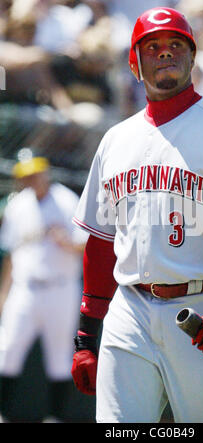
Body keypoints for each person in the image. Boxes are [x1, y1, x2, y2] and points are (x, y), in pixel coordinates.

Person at [71, 7, 203, 423]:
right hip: (129, 308)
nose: (165, 53)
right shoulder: (115, 140)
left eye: (176, 44)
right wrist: (88, 335)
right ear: (134, 62)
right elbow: (102, 243)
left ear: (192, 58)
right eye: (153, 46)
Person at [0, 153, 88, 422]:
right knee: (7, 350)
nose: (32, 179)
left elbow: (87, 245)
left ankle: (55, 417)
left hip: (60, 289)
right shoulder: (18, 206)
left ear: (45, 172)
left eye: (36, 173)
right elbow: (12, 254)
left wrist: (68, 244)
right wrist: (4, 293)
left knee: (59, 355)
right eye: (27, 175)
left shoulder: (67, 201)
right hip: (24, 289)